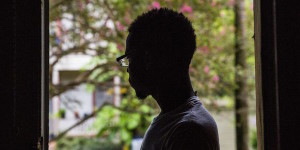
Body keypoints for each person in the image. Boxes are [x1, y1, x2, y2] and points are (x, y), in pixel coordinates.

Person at [116, 8, 220, 150]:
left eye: (130, 58)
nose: (128, 68)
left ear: (148, 58)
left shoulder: (188, 133)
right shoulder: (175, 122)